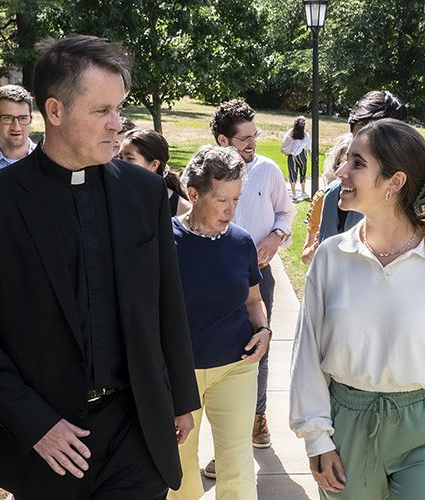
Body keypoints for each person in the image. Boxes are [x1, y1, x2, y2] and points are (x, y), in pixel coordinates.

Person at [0, 35, 200, 499]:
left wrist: (181, 398)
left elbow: (167, 300)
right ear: (55, 111)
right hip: (50, 441)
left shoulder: (144, 193)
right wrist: (35, 424)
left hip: (136, 427)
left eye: (119, 109)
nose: (117, 124)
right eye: (102, 111)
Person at [290, 119, 425, 499]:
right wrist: (316, 438)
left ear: (395, 182)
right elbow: (306, 354)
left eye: (357, 163)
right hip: (346, 425)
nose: (341, 171)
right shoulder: (330, 258)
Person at [169, 145, 271, 500]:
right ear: (193, 194)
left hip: (236, 368)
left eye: (236, 199)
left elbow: (253, 301)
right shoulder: (164, 242)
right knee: (180, 465)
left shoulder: (241, 242)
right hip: (180, 373)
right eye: (221, 200)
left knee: (237, 461)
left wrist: (264, 331)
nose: (231, 210)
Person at [210, 99, 292, 454]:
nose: (252, 143)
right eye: (244, 138)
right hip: (212, 278)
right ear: (223, 140)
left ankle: (257, 415)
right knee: (219, 350)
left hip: (258, 277)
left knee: (259, 343)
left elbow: (285, 214)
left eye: (254, 136)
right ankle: (224, 438)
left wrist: (275, 238)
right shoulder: (203, 171)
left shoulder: (269, 170)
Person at [310, 91, 406, 257]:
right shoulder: (336, 194)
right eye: (354, 137)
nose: (340, 173)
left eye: (359, 162)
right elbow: (328, 271)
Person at [300, 134, 351, 266]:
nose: (347, 171)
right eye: (344, 162)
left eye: (357, 164)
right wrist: (314, 250)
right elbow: (305, 257)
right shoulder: (324, 198)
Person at [119, 127, 191, 216]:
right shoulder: (115, 195)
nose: (120, 163)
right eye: (120, 157)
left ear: (154, 165)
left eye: (130, 158)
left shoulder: (182, 208)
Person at [280, 116, 309, 200]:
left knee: (292, 173)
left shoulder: (291, 132)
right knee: (303, 172)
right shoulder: (306, 135)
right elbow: (308, 147)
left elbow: (284, 142)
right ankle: (303, 192)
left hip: (291, 155)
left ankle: (294, 193)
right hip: (302, 155)